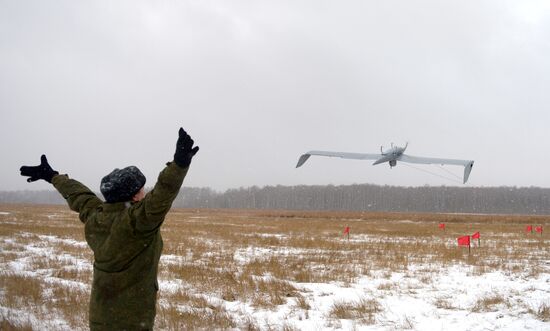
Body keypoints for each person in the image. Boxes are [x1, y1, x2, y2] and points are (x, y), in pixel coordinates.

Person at [20, 127, 199, 331]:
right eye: (141, 190)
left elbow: (79, 195)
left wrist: (52, 176)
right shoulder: (136, 223)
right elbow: (162, 194)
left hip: (100, 316)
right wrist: (179, 165)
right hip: (131, 322)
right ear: (133, 196)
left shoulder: (96, 216)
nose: (144, 193)